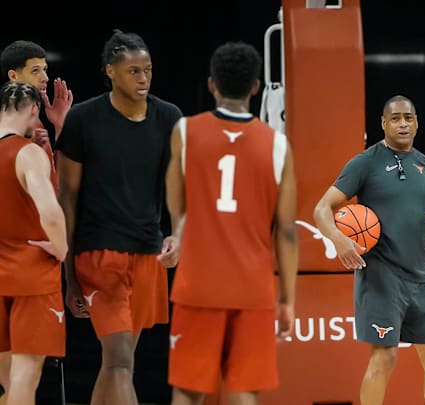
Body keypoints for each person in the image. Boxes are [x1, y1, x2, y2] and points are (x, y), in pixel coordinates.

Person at [158, 40, 298, 405]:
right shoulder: (278, 145)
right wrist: (287, 299)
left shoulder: (185, 131)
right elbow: (286, 230)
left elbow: (176, 203)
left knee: (187, 391)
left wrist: (180, 234)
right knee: (242, 391)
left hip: (198, 283)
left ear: (211, 84)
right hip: (252, 287)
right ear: (255, 87)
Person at [55, 30, 182, 405]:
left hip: (147, 253)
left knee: (117, 363)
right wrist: (70, 275)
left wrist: (178, 234)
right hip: (98, 254)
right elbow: (67, 198)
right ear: (110, 71)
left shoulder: (169, 117)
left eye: (148, 70)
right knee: (120, 360)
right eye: (133, 71)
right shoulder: (83, 119)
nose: (143, 79)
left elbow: (179, 188)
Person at [313, 95, 425, 405]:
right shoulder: (365, 163)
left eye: (408, 117)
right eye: (395, 118)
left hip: (421, 279)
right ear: (383, 123)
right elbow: (321, 209)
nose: (402, 123)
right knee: (385, 358)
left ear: (417, 122)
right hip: (381, 278)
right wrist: (339, 240)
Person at [0, 82, 68, 405]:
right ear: (32, 111)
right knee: (26, 374)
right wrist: (61, 248)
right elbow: (51, 214)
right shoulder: (27, 153)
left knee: (7, 377)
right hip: (31, 278)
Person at [1, 40, 73, 148]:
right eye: (35, 71)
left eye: (44, 69)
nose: (45, 78)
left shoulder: (36, 125)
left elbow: (55, 165)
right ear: (13, 76)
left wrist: (60, 125)